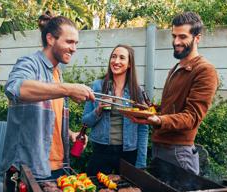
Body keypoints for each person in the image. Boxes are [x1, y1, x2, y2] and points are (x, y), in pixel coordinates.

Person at [1, 14, 94, 192]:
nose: (74, 48)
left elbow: (49, 114)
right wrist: (69, 89)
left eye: (76, 43)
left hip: (56, 167)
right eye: (69, 42)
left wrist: (69, 134)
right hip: (28, 170)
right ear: (51, 39)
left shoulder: (56, 72)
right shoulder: (30, 63)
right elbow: (16, 89)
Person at [130, 12, 219, 175]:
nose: (176, 42)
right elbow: (170, 109)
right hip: (160, 147)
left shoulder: (205, 70)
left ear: (197, 38)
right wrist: (149, 110)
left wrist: (158, 120)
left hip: (179, 152)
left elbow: (192, 117)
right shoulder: (176, 68)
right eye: (174, 36)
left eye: (183, 37)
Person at [82, 44, 149, 176]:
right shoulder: (97, 86)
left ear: (129, 64)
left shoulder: (137, 91)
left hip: (129, 152)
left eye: (122, 58)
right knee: (94, 190)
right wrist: (98, 110)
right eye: (114, 56)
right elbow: (85, 121)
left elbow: (143, 128)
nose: (116, 61)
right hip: (101, 150)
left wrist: (141, 162)